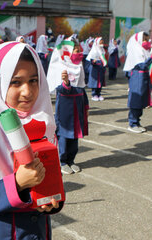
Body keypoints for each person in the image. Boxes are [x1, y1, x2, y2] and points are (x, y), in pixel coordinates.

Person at [0, 42, 63, 239]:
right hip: (2, 232)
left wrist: (52, 202)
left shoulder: (44, 122)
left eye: (33, 80)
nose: (27, 91)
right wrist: (17, 183)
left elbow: (53, 181)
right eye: (15, 82)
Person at [47, 38, 89, 174]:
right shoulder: (62, 67)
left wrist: (85, 104)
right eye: (76, 51)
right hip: (66, 108)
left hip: (78, 106)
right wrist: (65, 82)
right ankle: (62, 161)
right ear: (68, 53)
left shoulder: (79, 66)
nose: (79, 54)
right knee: (65, 134)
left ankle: (71, 160)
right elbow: (61, 89)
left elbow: (81, 86)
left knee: (75, 134)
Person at [123, 32, 152, 133]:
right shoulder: (136, 50)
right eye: (144, 40)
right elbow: (142, 65)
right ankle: (132, 123)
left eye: (147, 40)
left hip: (143, 76)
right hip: (137, 76)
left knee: (142, 100)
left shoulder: (144, 50)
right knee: (136, 100)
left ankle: (137, 122)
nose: (146, 42)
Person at [86, 37, 107, 101]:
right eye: (100, 41)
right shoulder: (94, 50)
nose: (102, 42)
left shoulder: (102, 49)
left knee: (100, 81)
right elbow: (90, 60)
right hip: (94, 68)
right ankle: (94, 94)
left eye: (102, 41)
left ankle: (99, 93)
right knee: (95, 82)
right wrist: (94, 62)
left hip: (100, 68)